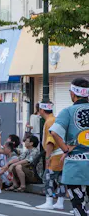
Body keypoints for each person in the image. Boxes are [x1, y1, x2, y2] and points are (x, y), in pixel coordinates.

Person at [49, 78, 89, 216]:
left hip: (76, 165)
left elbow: (54, 132)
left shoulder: (68, 112)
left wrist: (66, 149)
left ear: (72, 93)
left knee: (79, 207)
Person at [36, 102, 66, 210]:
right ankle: (60, 202)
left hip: (55, 154)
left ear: (41, 110)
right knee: (61, 179)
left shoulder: (49, 122)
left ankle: (49, 201)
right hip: (61, 153)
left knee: (48, 178)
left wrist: (47, 157)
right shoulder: (54, 119)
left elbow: (50, 141)